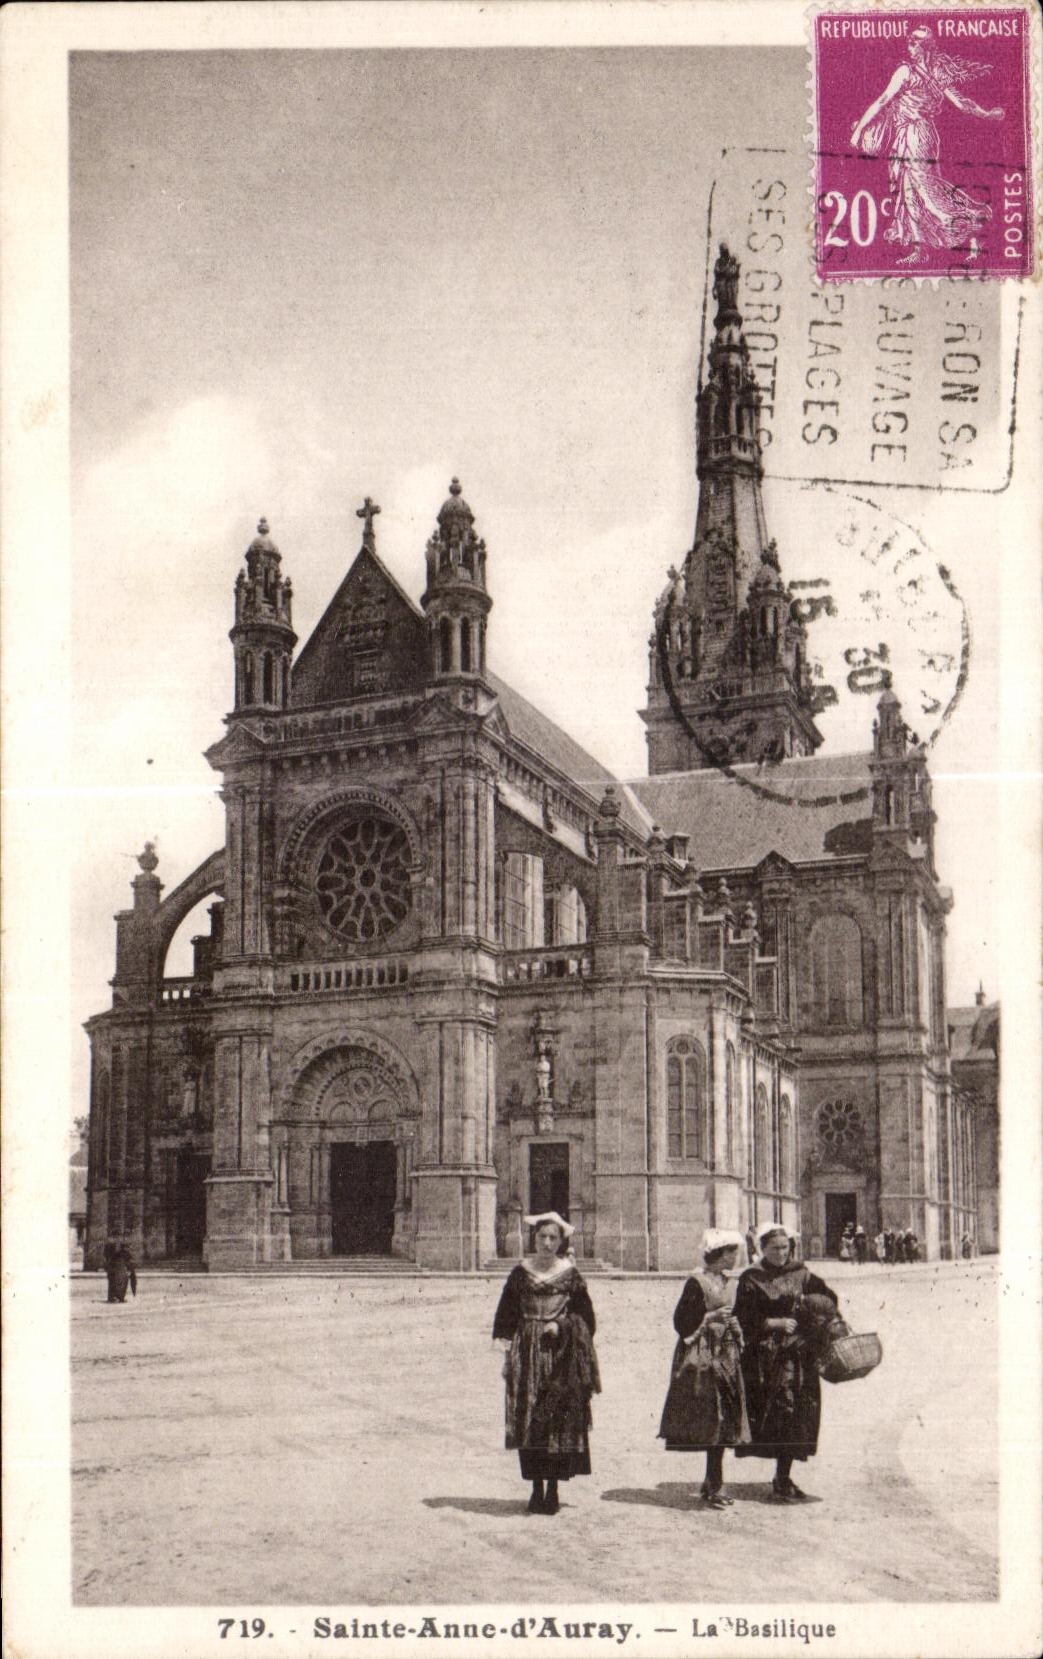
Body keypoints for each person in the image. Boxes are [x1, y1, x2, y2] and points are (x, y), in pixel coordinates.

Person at [849, 25, 1004, 266]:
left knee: (924, 189)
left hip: (916, 135)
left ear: (927, 46)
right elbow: (961, 104)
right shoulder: (925, 72)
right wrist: (987, 114)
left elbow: (883, 101)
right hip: (916, 135)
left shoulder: (910, 72)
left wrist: (859, 130)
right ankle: (920, 248)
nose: (910, 42)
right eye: (910, 39)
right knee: (911, 190)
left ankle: (973, 222)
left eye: (917, 40)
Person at [492, 1212, 599, 1516]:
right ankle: (535, 1488)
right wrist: (507, 1356)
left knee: (556, 1420)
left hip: (560, 1357)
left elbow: (587, 1320)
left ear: (561, 1241)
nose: (548, 1243)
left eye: (553, 1238)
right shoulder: (520, 1274)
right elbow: (505, 1318)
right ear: (533, 1239)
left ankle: (553, 1488)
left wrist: (563, 1326)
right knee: (529, 1420)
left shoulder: (571, 1276)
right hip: (526, 1354)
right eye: (542, 1237)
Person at [734, 1222, 838, 1502]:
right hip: (765, 1358)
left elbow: (830, 1303)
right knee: (776, 1414)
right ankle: (779, 1476)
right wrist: (772, 1322)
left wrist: (809, 1303)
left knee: (797, 1415)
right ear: (762, 1249)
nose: (781, 1253)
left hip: (798, 1357)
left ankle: (783, 1476)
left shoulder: (802, 1274)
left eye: (785, 1247)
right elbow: (741, 1317)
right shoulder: (751, 1279)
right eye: (774, 1248)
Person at [658, 1229, 750, 1509]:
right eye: (732, 1253)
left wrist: (735, 1329)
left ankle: (713, 1481)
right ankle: (713, 1483)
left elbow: (733, 1314)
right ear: (719, 1254)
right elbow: (681, 1321)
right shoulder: (696, 1282)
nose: (736, 1258)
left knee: (725, 1419)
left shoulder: (727, 1282)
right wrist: (709, 1317)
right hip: (703, 1355)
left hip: (726, 1355)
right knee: (711, 1417)